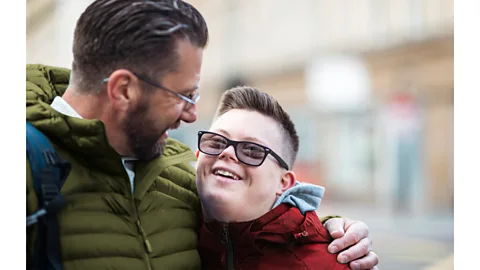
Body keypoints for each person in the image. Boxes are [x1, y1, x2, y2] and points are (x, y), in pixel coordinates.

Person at [26, 0, 378, 269]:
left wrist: (331, 234)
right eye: (183, 96)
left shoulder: (184, 170)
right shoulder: (24, 167)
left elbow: (254, 218)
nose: (194, 115)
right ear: (124, 90)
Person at [196, 86, 353, 269]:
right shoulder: (172, 227)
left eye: (251, 150)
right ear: (198, 154)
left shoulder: (331, 264)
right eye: (216, 141)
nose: (227, 152)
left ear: (284, 183)